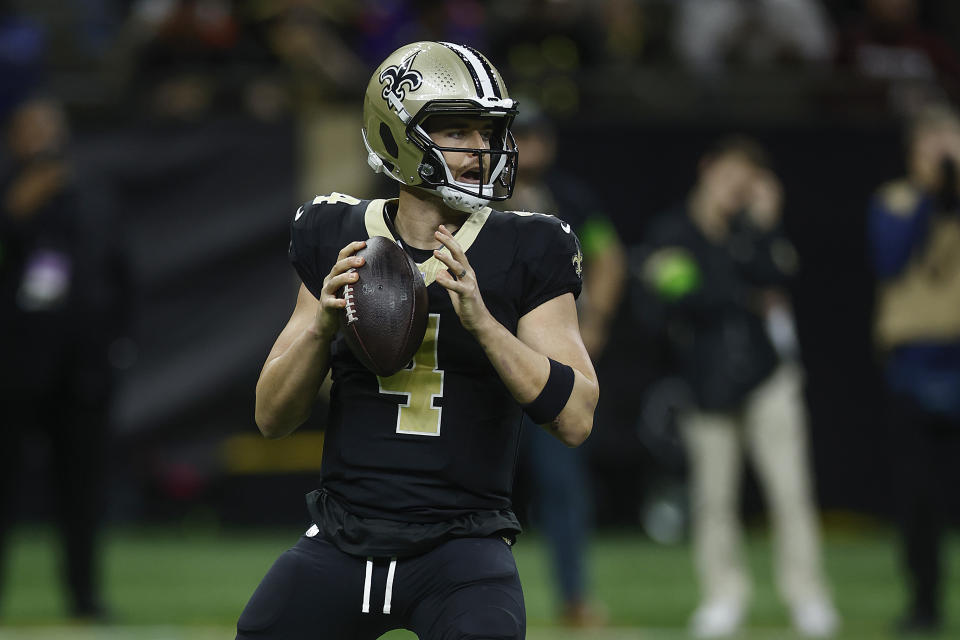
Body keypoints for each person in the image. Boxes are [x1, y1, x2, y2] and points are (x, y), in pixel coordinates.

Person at [237, 41, 597, 640]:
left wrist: (485, 325)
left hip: (463, 545)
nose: (480, 150)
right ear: (397, 135)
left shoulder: (530, 245)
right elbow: (271, 415)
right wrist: (323, 328)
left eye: (485, 132)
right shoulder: (338, 234)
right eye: (457, 130)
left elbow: (577, 416)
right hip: (344, 536)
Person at [633, 137, 838, 638]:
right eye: (729, 175)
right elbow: (663, 306)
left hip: (768, 378)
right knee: (713, 499)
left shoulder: (754, 231)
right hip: (704, 385)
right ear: (707, 169)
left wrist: (766, 224)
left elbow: (778, 274)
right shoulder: (671, 229)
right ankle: (723, 596)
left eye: (746, 182)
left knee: (791, 494)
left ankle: (808, 597)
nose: (735, 188)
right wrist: (729, 290)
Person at [0, 96, 126, 621]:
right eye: (32, 130)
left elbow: (121, 272)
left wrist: (119, 344)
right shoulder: (9, 195)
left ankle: (84, 598)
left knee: (82, 489)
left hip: (81, 369)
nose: (44, 142)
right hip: (11, 369)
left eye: (51, 130)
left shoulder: (91, 193)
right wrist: (12, 213)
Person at [505, 102, 625, 627]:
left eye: (536, 138)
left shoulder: (571, 199)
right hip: (486, 364)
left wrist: (593, 323)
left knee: (562, 485)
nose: (529, 149)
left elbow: (608, 255)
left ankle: (574, 595)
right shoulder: (477, 195)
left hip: (545, 364)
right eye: (519, 138)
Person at [869, 103, 960, 636]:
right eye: (934, 147)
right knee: (919, 499)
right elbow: (891, 260)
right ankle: (925, 603)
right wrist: (931, 194)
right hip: (911, 364)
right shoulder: (895, 202)